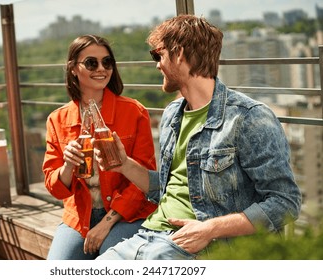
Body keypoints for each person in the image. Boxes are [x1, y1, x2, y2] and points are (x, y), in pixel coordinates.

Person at [95, 15, 302, 260]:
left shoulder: (248, 118)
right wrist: (124, 165)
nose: (157, 65)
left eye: (158, 55)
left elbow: (285, 202)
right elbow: (170, 187)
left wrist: (209, 229)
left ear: (179, 53)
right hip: (148, 236)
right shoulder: (172, 114)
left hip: (202, 246)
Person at [42, 35, 157, 260]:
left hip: (127, 215)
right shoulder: (57, 120)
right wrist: (67, 166)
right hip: (78, 218)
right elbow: (54, 188)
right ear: (73, 68)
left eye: (107, 62)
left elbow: (144, 180)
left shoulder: (134, 112)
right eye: (92, 63)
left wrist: (107, 223)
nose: (101, 69)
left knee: (109, 259)